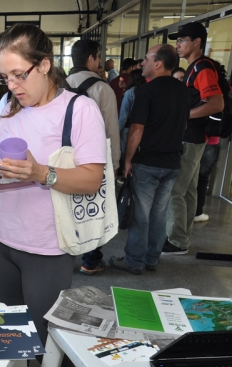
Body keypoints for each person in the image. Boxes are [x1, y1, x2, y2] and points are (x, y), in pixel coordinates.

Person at [0, 23, 107, 367]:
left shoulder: (79, 109)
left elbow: (91, 179)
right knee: (12, 332)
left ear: (45, 65)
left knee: (45, 336)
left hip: (47, 247)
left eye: (19, 74)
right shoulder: (7, 108)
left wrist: (42, 174)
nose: (12, 86)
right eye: (5, 77)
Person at [109, 44, 192, 275]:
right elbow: (184, 124)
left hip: (147, 163)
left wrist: (127, 160)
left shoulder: (146, 91)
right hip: (172, 163)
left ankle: (134, 261)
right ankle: (152, 258)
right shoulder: (184, 91)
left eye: (146, 59)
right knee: (159, 213)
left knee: (141, 215)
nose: (142, 63)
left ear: (158, 64)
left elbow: (136, 129)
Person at [163, 21, 224, 255]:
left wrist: (183, 115)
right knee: (187, 191)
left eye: (182, 40)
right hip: (195, 138)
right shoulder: (195, 67)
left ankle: (176, 241)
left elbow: (216, 103)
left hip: (191, 138)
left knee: (176, 191)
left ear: (197, 42)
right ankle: (182, 239)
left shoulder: (202, 68)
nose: (178, 45)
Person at [65, 39, 121, 275]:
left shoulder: (59, 85)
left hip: (65, 159)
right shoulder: (102, 89)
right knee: (95, 210)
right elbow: (111, 131)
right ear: (91, 58)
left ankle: (64, 258)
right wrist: (114, 164)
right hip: (95, 161)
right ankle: (91, 260)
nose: (99, 62)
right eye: (98, 57)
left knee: (66, 208)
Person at [118, 69, 147, 155]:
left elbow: (124, 116)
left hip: (128, 127)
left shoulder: (130, 93)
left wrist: (118, 130)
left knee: (126, 153)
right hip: (144, 126)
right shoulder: (147, 91)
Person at [194, 136, 220, 222]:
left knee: (189, 177)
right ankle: (197, 212)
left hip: (193, 139)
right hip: (210, 142)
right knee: (202, 179)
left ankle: (187, 212)